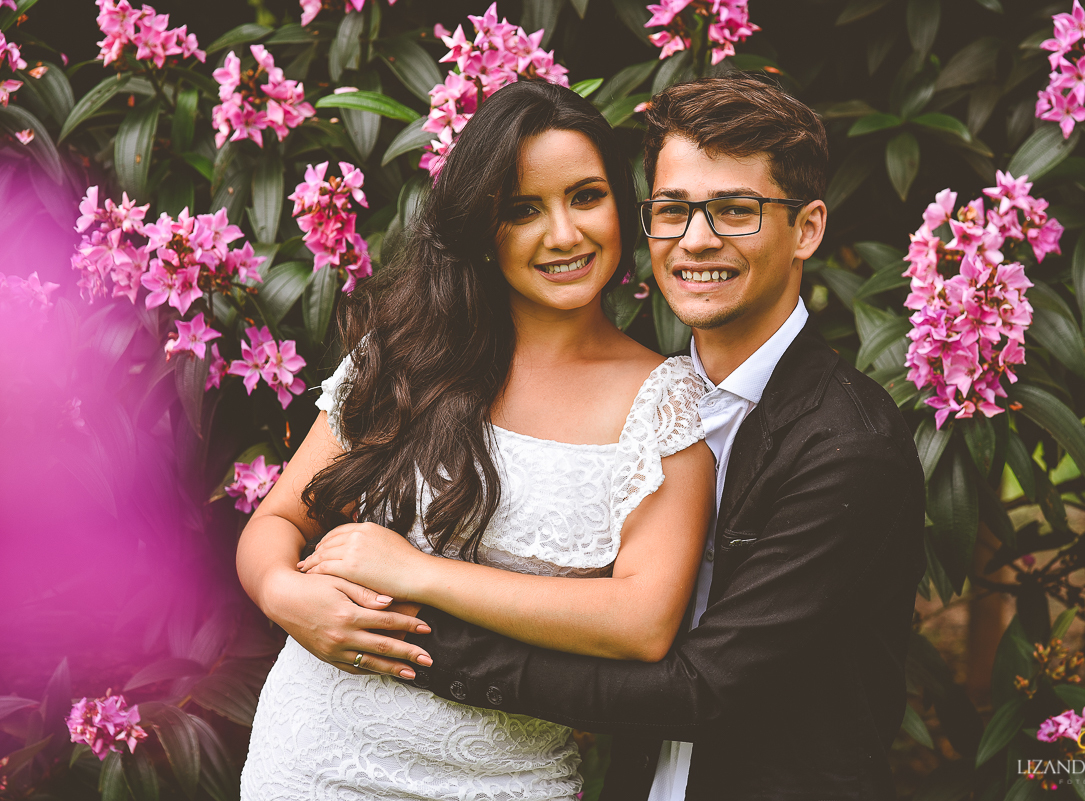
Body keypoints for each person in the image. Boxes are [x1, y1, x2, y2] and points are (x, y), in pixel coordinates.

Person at [316, 75, 928, 801]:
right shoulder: (656, 404)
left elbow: (701, 687)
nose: (697, 239)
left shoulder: (847, 446)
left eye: (736, 210)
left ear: (808, 228)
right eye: (673, 210)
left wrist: (413, 636)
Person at [235, 79, 715, 800]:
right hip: (315, 754)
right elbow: (275, 520)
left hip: (506, 776)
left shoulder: (664, 402)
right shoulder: (405, 354)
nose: (564, 234)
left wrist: (417, 572)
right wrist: (282, 592)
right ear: (482, 230)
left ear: (623, 200)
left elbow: (641, 623)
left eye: (586, 195)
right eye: (523, 210)